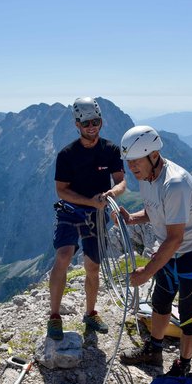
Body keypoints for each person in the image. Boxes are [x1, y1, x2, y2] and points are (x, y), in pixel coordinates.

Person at [116, 125, 192, 376]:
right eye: (129, 162)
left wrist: (146, 272)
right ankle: (154, 351)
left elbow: (175, 238)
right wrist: (132, 219)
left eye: (137, 161)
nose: (132, 167)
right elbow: (155, 210)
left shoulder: (175, 184)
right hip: (171, 249)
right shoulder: (148, 177)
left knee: (190, 314)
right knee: (161, 299)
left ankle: (183, 366)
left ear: (154, 156)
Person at [47, 97, 126, 340]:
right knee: (63, 257)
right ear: (77, 125)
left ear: (101, 122)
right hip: (71, 212)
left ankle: (90, 313)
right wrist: (90, 201)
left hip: (97, 213)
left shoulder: (111, 150)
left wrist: (111, 193)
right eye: (86, 122)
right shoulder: (67, 155)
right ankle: (54, 316)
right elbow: (62, 190)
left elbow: (122, 182)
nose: (91, 126)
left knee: (93, 266)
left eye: (95, 121)